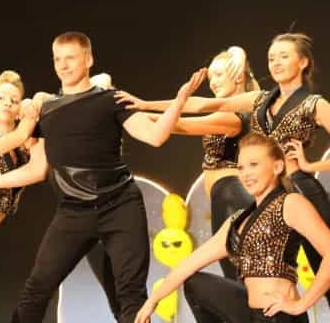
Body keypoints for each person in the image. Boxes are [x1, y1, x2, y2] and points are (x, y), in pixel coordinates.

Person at [0, 31, 206, 323]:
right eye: (57, 59)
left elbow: (156, 136)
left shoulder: (111, 100)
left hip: (120, 207)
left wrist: (180, 99)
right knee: (36, 290)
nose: (63, 65)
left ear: (89, 59)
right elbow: (36, 169)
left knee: (130, 296)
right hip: (73, 213)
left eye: (70, 57)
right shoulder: (45, 108)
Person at [131, 33, 330, 304]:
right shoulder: (260, 100)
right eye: (272, 58)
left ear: (304, 62)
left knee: (324, 270)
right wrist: (143, 106)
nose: (276, 63)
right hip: (271, 196)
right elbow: (201, 105)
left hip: (302, 190)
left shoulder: (314, 103)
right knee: (271, 272)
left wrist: (311, 164)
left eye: (284, 56)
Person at [0, 69, 116, 323]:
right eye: (1, 98)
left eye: (15, 99)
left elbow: (102, 79)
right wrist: (34, 106)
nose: (8, 102)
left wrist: (37, 100)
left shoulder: (27, 148)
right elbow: (20, 134)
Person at [135, 132, 330, 323]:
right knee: (196, 284)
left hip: (279, 317)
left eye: (254, 165)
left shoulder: (290, 203)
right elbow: (189, 264)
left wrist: (301, 304)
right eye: (241, 167)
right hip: (251, 314)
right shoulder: (238, 221)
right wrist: (152, 300)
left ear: (277, 166)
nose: (246, 174)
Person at [115, 47, 259, 279]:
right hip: (225, 199)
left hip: (232, 197)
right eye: (211, 78)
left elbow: (181, 123)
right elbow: (189, 109)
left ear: (238, 76)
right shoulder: (234, 110)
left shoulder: (232, 118)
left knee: (241, 275)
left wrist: (133, 112)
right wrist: (140, 108)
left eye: (219, 75)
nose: (213, 83)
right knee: (237, 275)